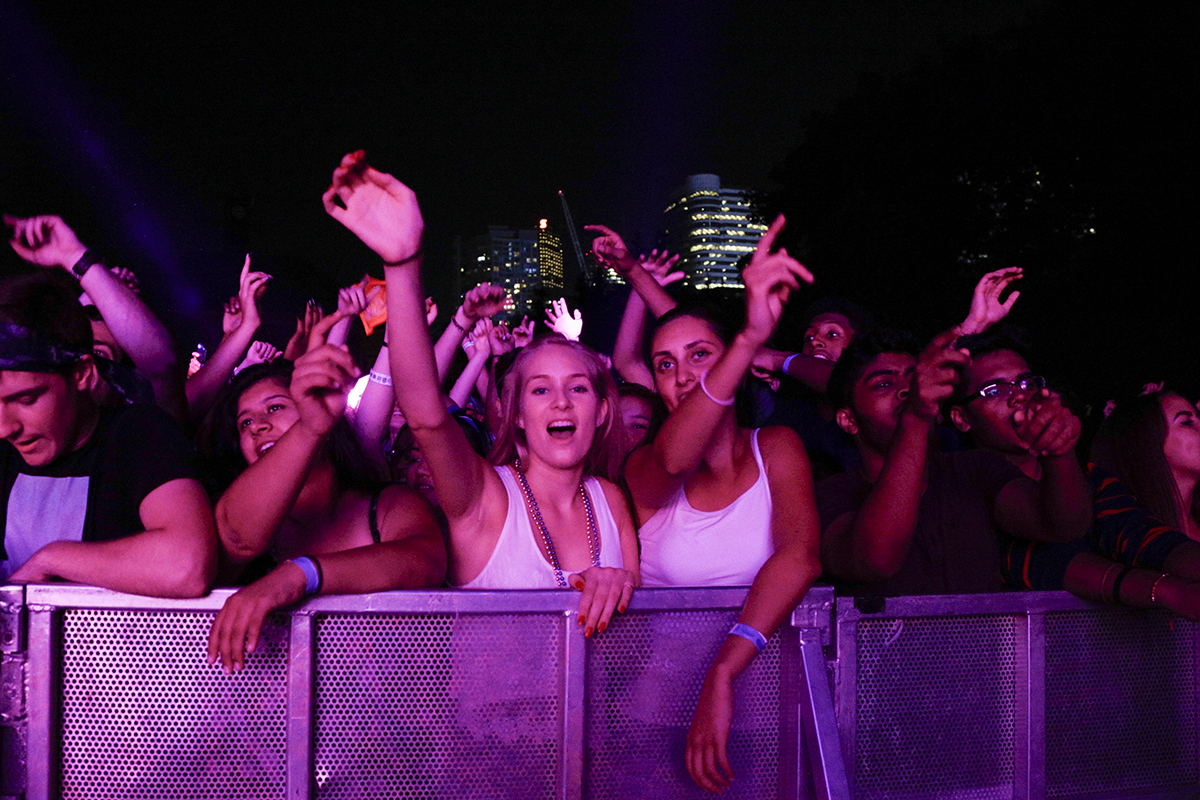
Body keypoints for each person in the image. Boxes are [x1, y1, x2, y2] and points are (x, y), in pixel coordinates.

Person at [322, 151, 639, 637]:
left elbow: (642, 642)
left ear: (600, 412)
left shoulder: (612, 501)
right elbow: (426, 414)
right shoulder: (483, 496)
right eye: (539, 389)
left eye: (578, 387)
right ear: (514, 416)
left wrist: (620, 584)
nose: (560, 402)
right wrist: (403, 264)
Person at [609, 216, 823, 794]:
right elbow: (679, 460)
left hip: (765, 711)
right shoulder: (645, 465)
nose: (682, 377)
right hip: (651, 724)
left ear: (729, 365)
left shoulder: (776, 447)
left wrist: (723, 669)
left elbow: (800, 558)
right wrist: (747, 339)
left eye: (701, 355)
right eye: (665, 365)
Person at [200, 312, 446, 673]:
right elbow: (235, 538)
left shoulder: (388, 505)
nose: (259, 427)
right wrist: (307, 428)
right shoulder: (243, 515)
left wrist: (299, 575)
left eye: (275, 407)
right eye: (245, 422)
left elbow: (425, 561)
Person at [817, 326, 1092, 595]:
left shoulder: (974, 470)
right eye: (884, 384)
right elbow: (876, 561)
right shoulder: (828, 494)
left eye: (915, 380)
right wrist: (915, 416)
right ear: (848, 420)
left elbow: (1062, 525)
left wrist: (1058, 450)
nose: (906, 390)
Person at [0, 272, 216, 596]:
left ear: (82, 374)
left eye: (27, 399)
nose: (5, 427)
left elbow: (187, 564)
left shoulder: (138, 435)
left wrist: (52, 559)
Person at [5, 214, 189, 423]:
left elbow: (159, 363)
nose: (80, 359)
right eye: (72, 349)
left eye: (99, 353)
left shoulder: (139, 433)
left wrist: (74, 256)